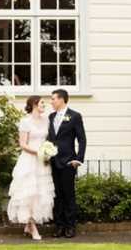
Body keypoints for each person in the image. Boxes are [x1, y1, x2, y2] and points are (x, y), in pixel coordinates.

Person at [7, 95, 55, 240]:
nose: (44, 105)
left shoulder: (46, 120)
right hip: (29, 161)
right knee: (29, 194)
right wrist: (38, 152)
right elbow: (22, 144)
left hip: (42, 162)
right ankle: (33, 228)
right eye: (41, 103)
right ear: (34, 104)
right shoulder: (25, 121)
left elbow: (47, 140)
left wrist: (47, 151)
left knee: (40, 193)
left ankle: (29, 224)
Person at [47, 88, 86, 238]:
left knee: (68, 195)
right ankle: (59, 226)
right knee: (57, 195)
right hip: (53, 161)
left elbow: (82, 139)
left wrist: (78, 159)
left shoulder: (75, 116)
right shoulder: (50, 117)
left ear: (61, 99)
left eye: (53, 99)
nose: (51, 101)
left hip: (69, 162)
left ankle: (70, 227)